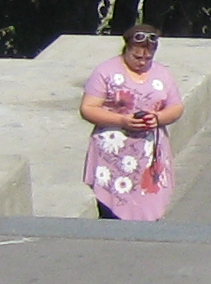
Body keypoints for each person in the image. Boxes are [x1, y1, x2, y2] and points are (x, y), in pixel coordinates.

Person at [78, 26, 183, 220]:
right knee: (112, 211)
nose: (142, 62)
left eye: (147, 58)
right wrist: (122, 120)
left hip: (149, 153)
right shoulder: (105, 71)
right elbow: (88, 108)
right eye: (137, 57)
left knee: (149, 206)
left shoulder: (162, 74)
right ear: (126, 49)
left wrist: (158, 118)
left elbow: (176, 107)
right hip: (113, 155)